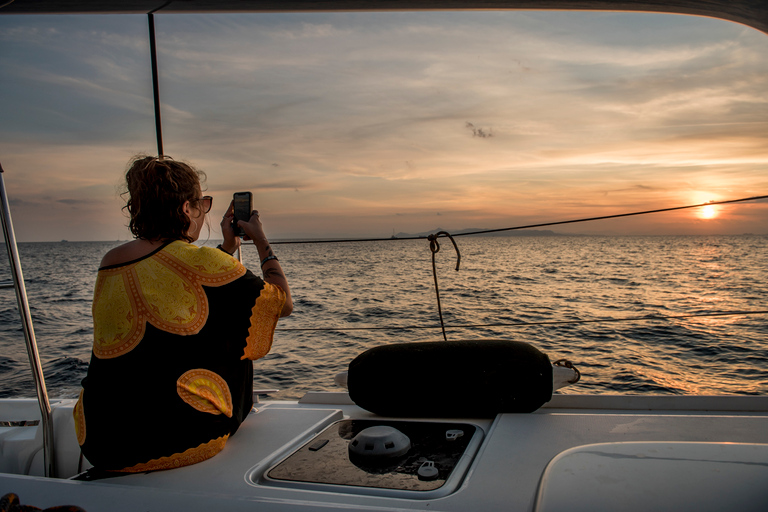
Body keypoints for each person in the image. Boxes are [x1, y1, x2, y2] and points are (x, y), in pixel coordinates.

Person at [73, 155, 292, 472]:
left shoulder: (111, 261)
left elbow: (176, 283)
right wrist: (260, 239)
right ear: (187, 209)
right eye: (202, 202)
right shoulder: (203, 262)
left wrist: (227, 249)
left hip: (103, 440)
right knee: (238, 326)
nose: (204, 209)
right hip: (177, 439)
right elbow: (281, 303)